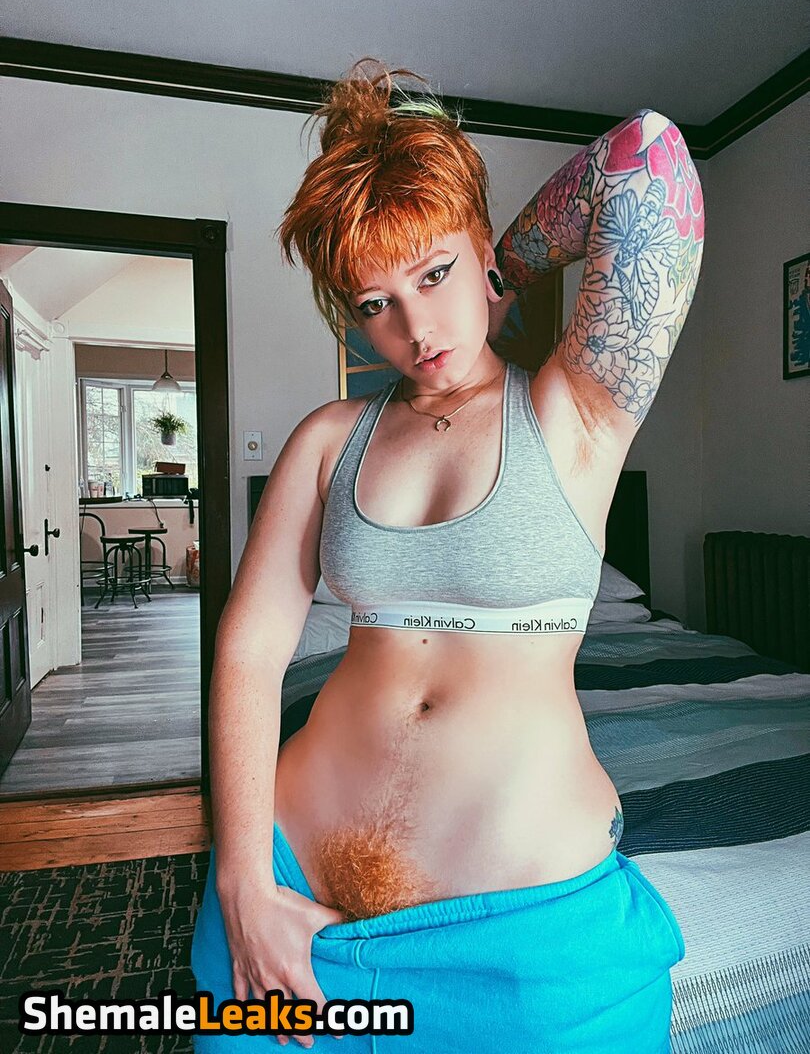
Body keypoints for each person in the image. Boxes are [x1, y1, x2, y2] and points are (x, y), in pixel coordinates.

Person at [191, 57, 704, 1051]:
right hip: (289, 909)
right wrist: (242, 880)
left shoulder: (575, 411)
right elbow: (251, 652)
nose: (417, 329)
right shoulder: (328, 439)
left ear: (482, 251)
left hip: (524, 959)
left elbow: (648, 160)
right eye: (373, 302)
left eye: (435, 274)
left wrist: (499, 267)